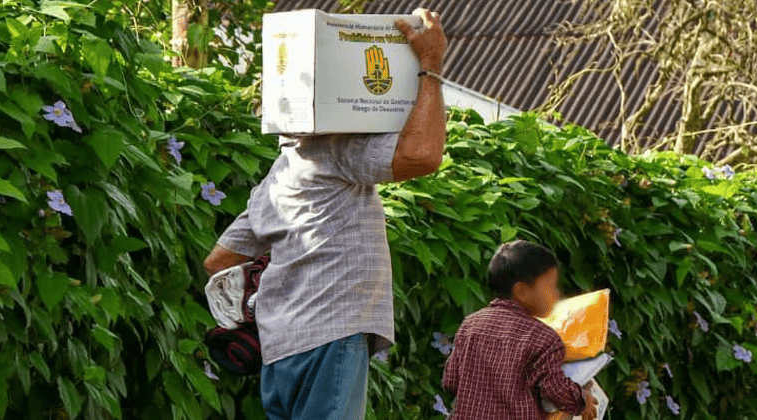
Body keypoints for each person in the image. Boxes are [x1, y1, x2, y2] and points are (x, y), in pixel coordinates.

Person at [201, 9, 448, 420]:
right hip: (330, 334)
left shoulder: (276, 181)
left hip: (280, 351)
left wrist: (277, 281)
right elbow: (422, 154)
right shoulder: (337, 151)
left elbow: (218, 262)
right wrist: (431, 68)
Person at [441, 240, 599, 420]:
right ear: (522, 291)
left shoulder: (470, 325)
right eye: (550, 285)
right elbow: (554, 389)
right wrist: (581, 398)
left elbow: (451, 382)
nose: (556, 294)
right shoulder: (543, 338)